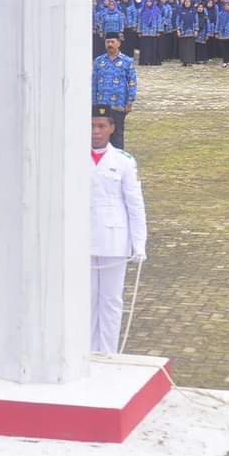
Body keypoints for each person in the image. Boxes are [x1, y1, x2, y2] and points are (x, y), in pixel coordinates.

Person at [90, 105, 147, 354]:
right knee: (87, 301)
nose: (96, 131)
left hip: (114, 238)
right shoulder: (72, 157)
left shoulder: (124, 162)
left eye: (102, 126)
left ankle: (109, 353)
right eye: (92, 125)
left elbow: (135, 205)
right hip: (83, 239)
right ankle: (88, 353)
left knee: (111, 301)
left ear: (112, 128)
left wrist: (139, 243)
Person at [92, 32, 137, 150]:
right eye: (108, 42)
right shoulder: (98, 61)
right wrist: (93, 102)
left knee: (117, 136)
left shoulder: (127, 61)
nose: (110, 44)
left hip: (119, 104)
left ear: (119, 43)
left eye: (112, 42)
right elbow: (94, 83)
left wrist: (130, 101)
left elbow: (132, 82)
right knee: (101, 135)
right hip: (102, 104)